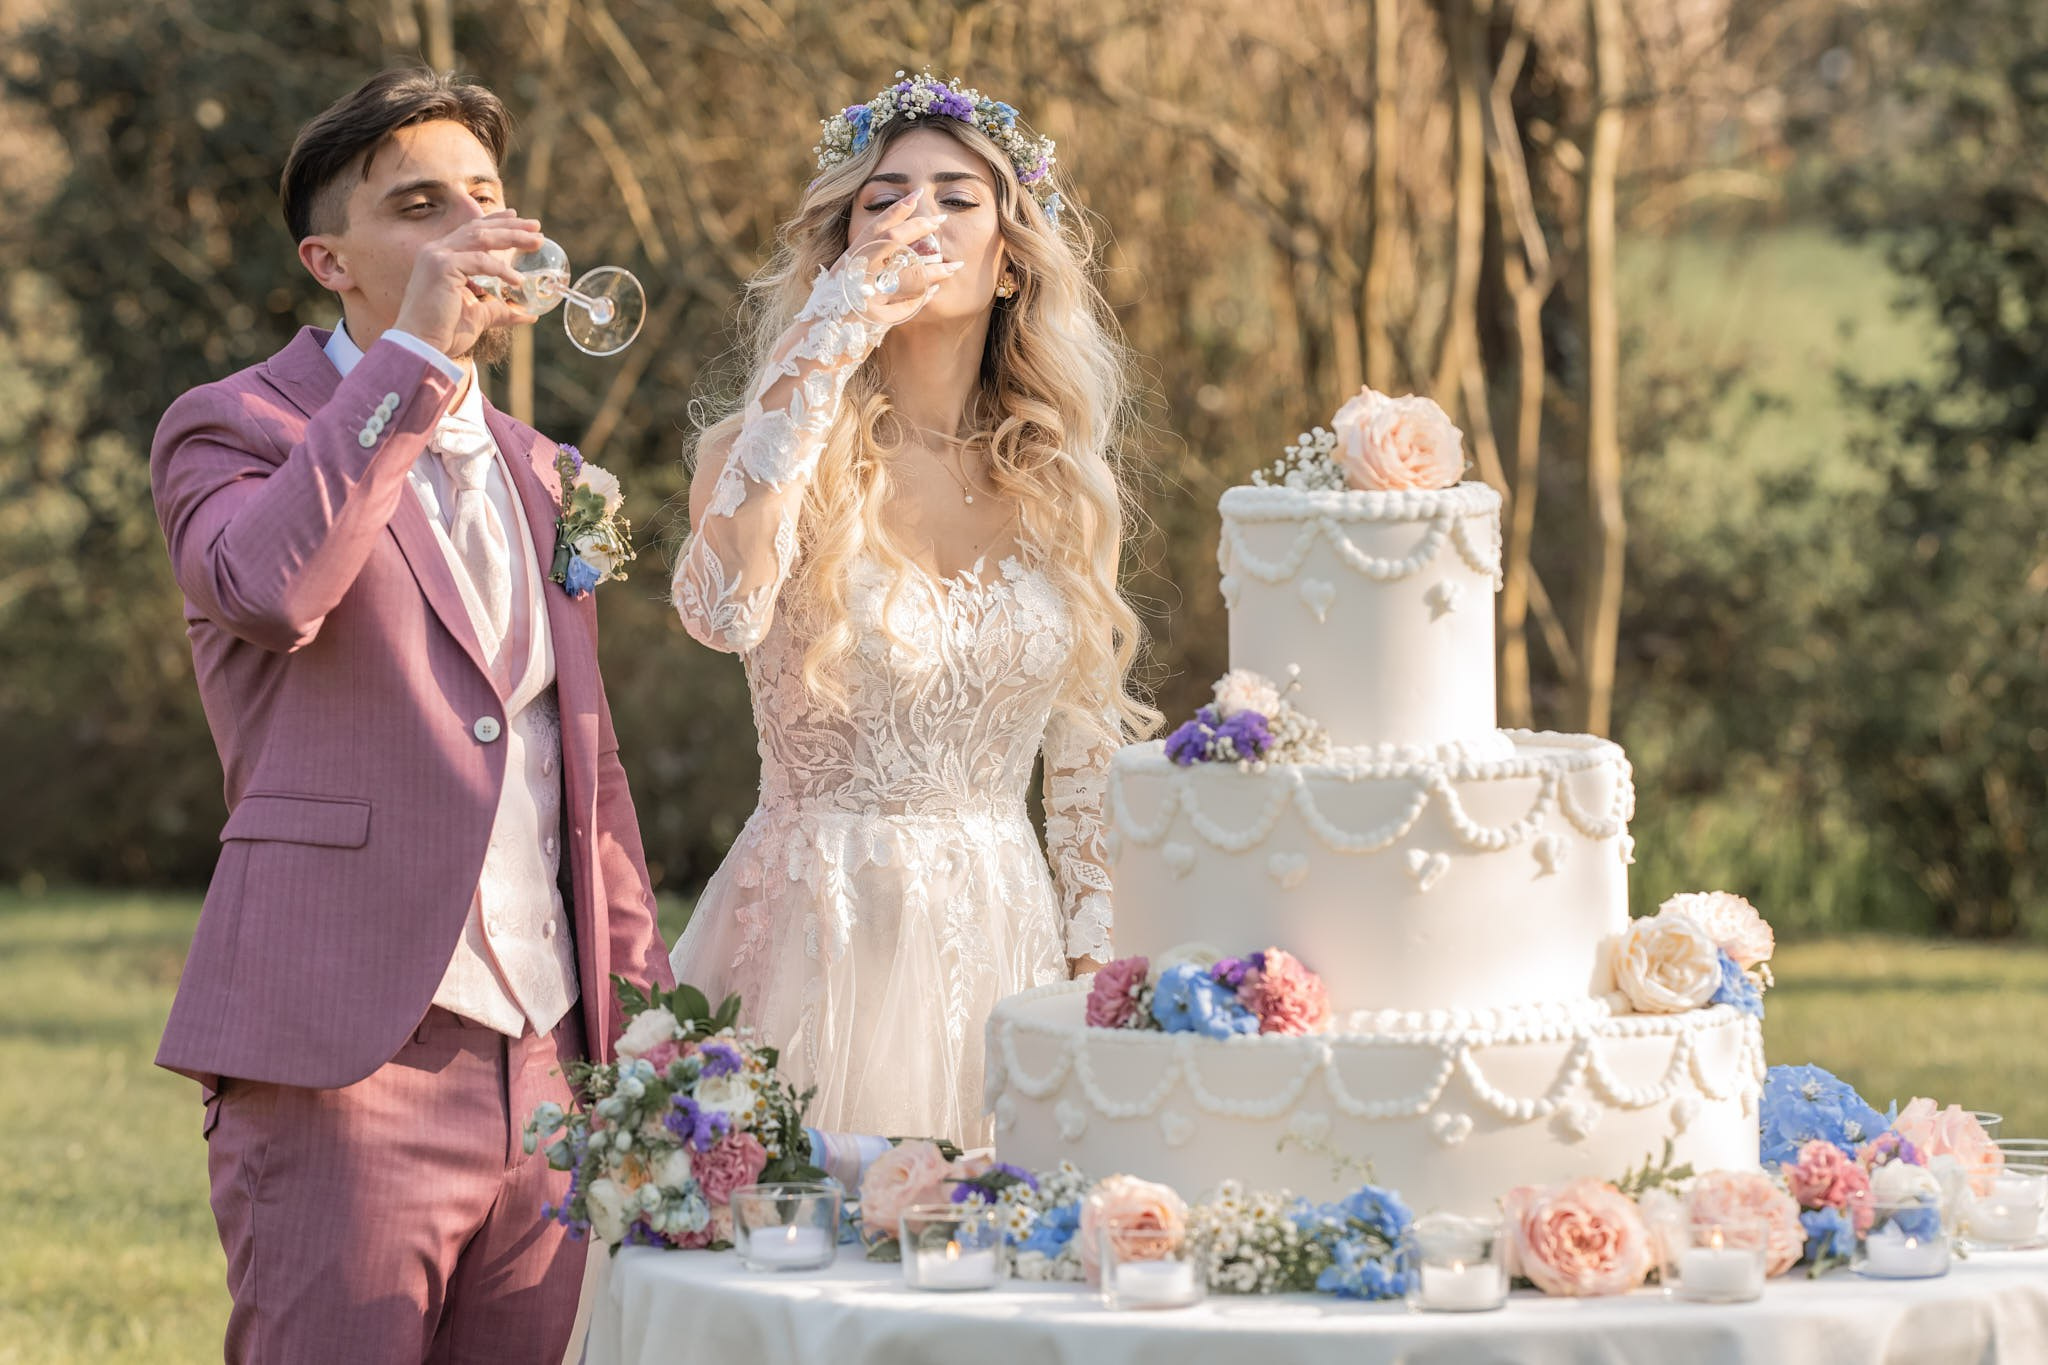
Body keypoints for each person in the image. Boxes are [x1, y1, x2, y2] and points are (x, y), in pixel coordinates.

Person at [148, 68, 672, 1364]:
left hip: (553, 1068)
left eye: (485, 199)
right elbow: (271, 593)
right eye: (421, 205)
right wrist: (416, 361)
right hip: (347, 1059)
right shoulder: (234, 428)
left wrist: (641, 1020)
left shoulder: (554, 474)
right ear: (330, 259)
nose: (470, 229)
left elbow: (580, 773)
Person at [669, 72, 1158, 1145]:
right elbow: (719, 613)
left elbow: (1080, 771)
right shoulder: (759, 452)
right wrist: (826, 338)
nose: (912, 222)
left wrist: (1095, 974)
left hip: (1003, 934)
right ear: (838, 243)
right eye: (880, 199)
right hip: (818, 928)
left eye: (953, 197)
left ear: (1008, 260)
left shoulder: (1059, 483)